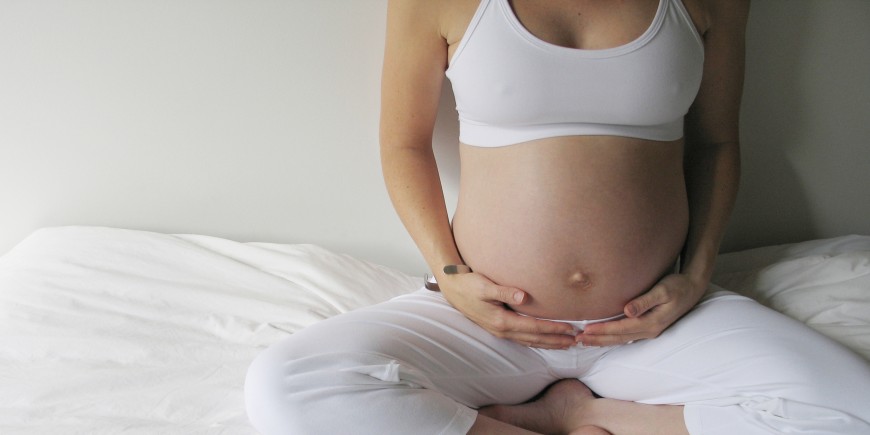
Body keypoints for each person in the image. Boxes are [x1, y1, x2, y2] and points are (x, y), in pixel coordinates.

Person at [245, 0, 870, 433]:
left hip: (651, 323)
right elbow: (403, 145)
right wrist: (452, 276)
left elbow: (716, 144)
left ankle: (596, 420)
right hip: (490, 323)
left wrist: (697, 274)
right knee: (285, 384)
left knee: (857, 406)